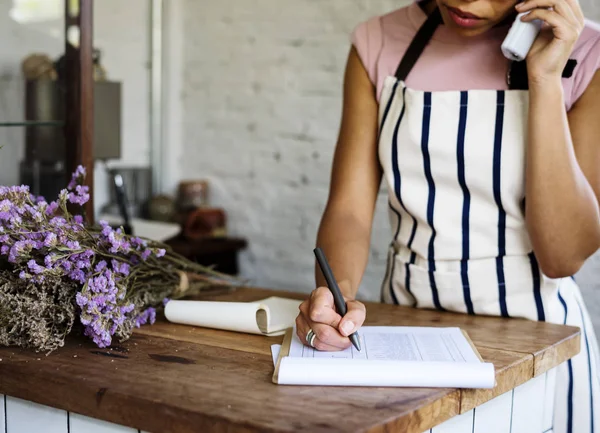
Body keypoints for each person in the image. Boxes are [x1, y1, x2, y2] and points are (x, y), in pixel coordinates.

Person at [295, 0, 600, 430]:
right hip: (405, 337)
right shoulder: (378, 43)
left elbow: (563, 256)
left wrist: (545, 78)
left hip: (539, 345)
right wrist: (334, 299)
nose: (463, 1)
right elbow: (349, 210)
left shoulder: (587, 53)